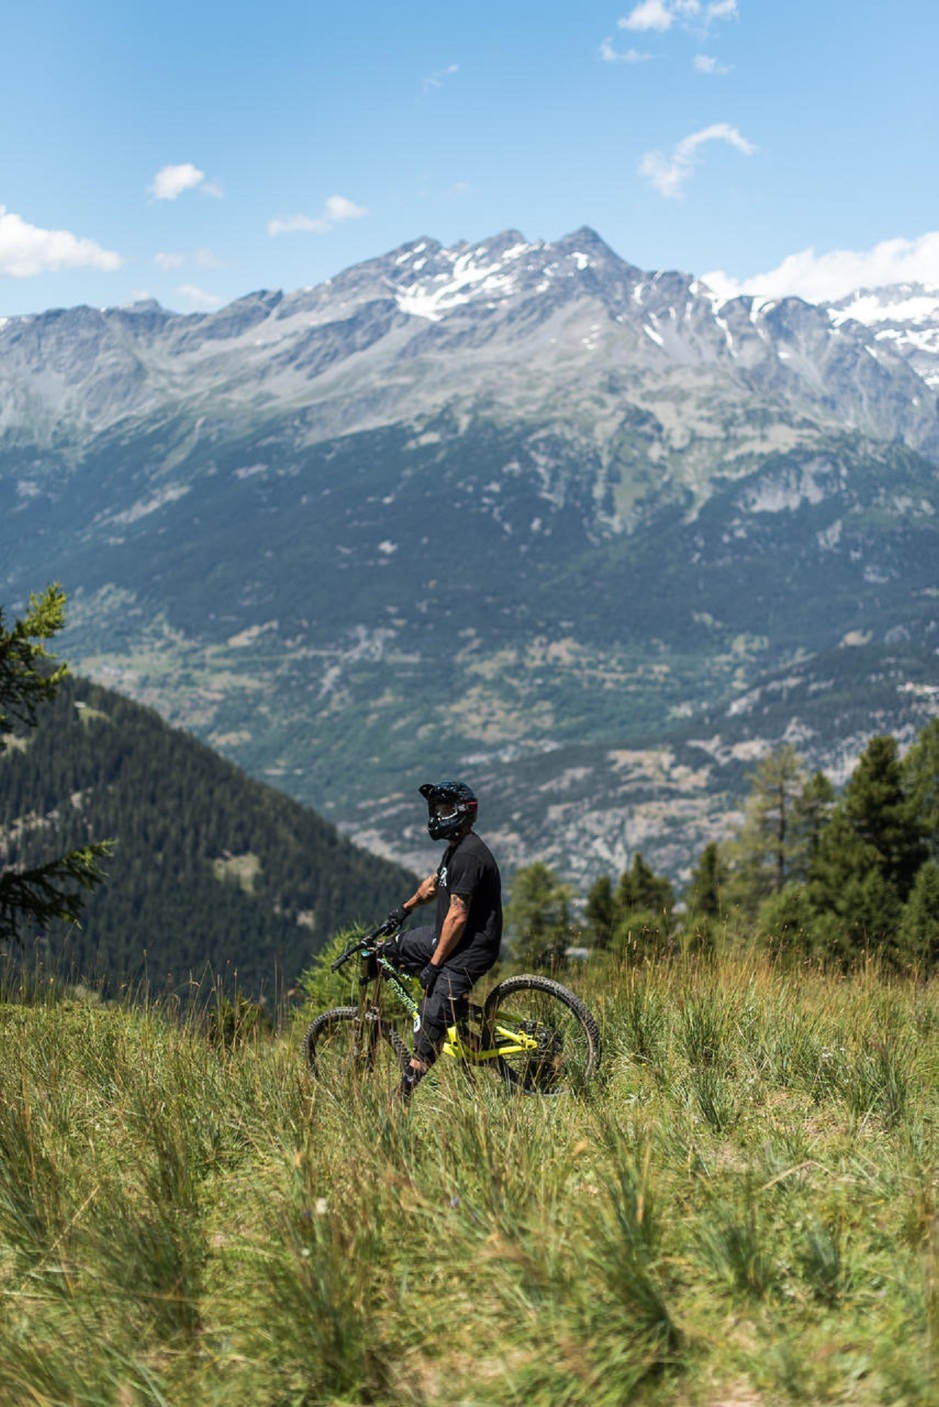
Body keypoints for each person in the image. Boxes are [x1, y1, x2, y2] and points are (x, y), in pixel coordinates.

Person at [383, 780, 503, 1101]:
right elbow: (433, 886)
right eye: (435, 809)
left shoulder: (469, 856)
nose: (438, 816)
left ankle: (401, 1098)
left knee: (430, 1021)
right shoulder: (453, 850)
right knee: (391, 948)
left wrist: (434, 965)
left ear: (463, 812)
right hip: (445, 939)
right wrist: (404, 910)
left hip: (468, 949)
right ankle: (446, 1013)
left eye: (445, 810)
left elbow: (458, 916)